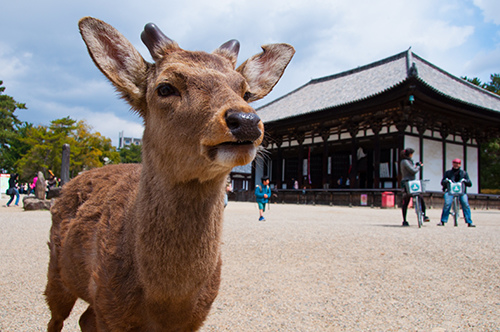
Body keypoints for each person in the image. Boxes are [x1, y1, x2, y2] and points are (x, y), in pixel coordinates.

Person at [438, 158, 475, 227]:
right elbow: (442, 182)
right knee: (447, 203)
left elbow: (470, 183)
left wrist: (465, 181)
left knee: (465, 204)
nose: (456, 165)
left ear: (460, 164)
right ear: (452, 164)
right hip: (450, 191)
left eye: (458, 163)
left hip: (461, 192)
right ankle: (443, 220)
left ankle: (469, 221)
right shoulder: (448, 173)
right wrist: (445, 181)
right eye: (455, 163)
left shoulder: (464, 173)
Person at [399, 148, 429, 226]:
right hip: (407, 182)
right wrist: (418, 166)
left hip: (412, 182)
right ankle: (404, 219)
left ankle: (424, 215)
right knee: (406, 200)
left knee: (420, 197)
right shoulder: (405, 161)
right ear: (409, 154)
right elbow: (413, 171)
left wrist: (415, 165)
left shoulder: (408, 161)